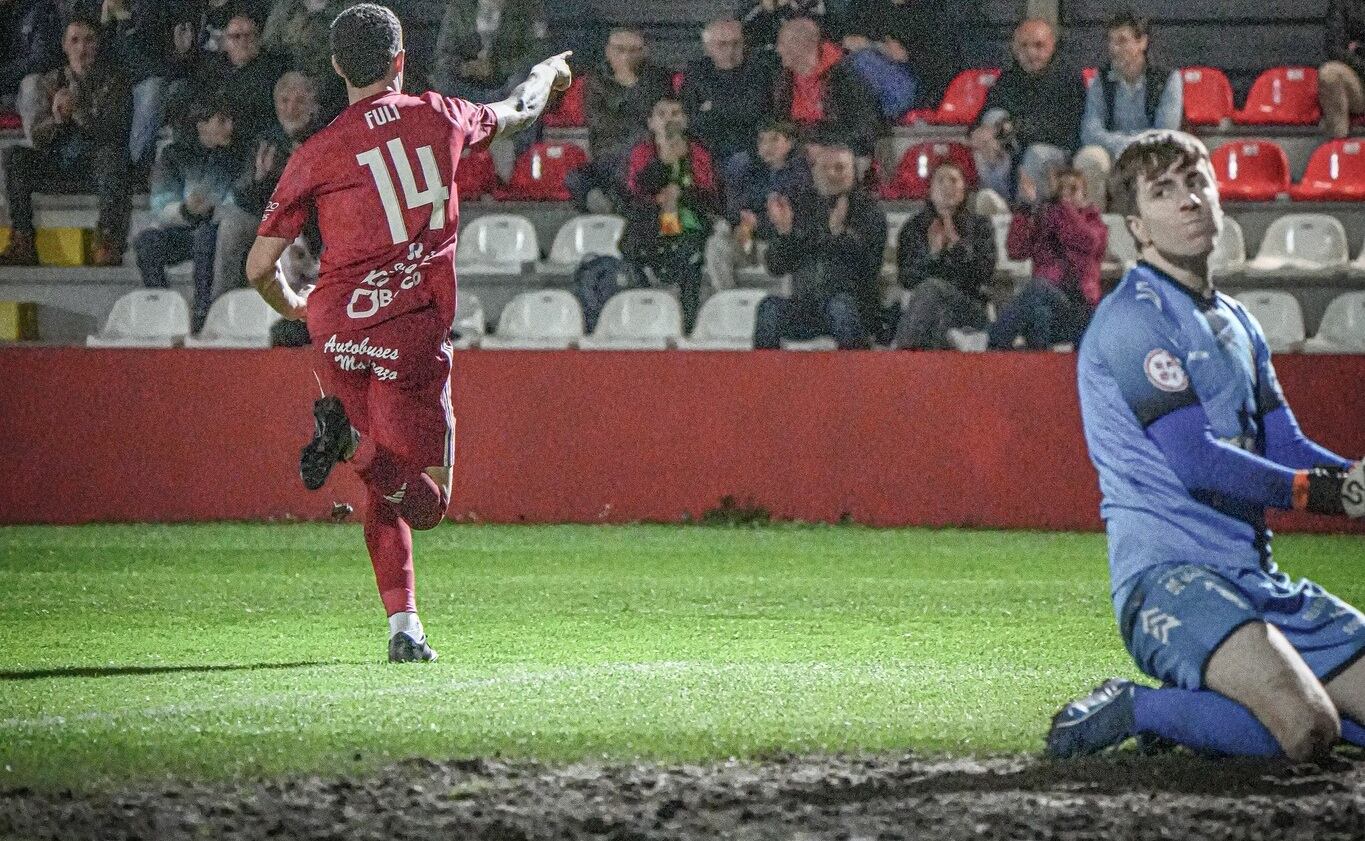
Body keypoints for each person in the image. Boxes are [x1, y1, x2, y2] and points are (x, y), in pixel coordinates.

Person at [245, 3, 572, 662]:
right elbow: (518, 109)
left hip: (337, 328)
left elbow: (257, 267)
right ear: (400, 61)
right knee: (423, 499)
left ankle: (405, 627)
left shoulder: (315, 151)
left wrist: (298, 307)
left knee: (383, 483)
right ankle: (351, 444)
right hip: (411, 330)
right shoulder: (443, 116)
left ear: (336, 66)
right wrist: (547, 74)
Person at [1046, 129, 1365, 762]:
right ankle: (1138, 707)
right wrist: (1329, 494)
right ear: (1137, 225)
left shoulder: (1237, 321)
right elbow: (1196, 462)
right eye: (1164, 192)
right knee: (1304, 730)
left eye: (1198, 183)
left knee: (1316, 726)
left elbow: (1285, 443)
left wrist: (1353, 478)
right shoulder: (1134, 317)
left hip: (1255, 578)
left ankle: (1229, 711)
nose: (1190, 201)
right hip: (1169, 580)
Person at [0, 15, 132, 267]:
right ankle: (23, 239)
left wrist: (78, 108)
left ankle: (106, 240)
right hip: (59, 163)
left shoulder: (114, 82)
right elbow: (38, 138)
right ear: (64, 45)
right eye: (75, 41)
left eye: (89, 40)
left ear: (98, 45)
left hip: (96, 168)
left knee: (110, 157)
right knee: (14, 156)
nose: (82, 48)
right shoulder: (50, 81)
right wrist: (58, 119)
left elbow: (114, 134)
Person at [753, 141, 885, 350]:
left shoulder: (869, 212)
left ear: (854, 173)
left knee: (841, 307)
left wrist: (838, 234)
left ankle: (860, 378)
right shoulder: (799, 207)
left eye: (840, 168)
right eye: (824, 168)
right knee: (769, 308)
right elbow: (775, 267)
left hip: (854, 307)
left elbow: (869, 267)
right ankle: (764, 381)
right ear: (813, 172)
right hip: (806, 308)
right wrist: (785, 233)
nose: (832, 174)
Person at [213, 71, 323, 310]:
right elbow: (245, 197)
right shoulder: (266, 141)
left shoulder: (325, 138)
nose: (291, 108)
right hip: (268, 217)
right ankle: (218, 307)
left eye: (299, 101)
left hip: (312, 221)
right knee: (231, 225)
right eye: (284, 101)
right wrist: (261, 178)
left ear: (313, 106)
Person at [135, 99, 244, 333]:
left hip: (216, 233)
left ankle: (203, 313)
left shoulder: (235, 159)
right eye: (222, 121)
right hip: (181, 230)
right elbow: (160, 204)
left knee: (206, 238)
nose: (230, 127)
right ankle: (163, 310)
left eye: (231, 121)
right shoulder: (173, 156)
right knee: (146, 243)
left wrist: (211, 210)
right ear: (201, 125)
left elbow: (238, 204)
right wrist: (186, 210)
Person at [620, 96, 721, 333]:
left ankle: (687, 323)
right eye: (662, 114)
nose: (668, 120)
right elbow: (635, 191)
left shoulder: (698, 152)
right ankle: (643, 314)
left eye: (675, 114)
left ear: (685, 121)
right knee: (630, 248)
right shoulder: (642, 152)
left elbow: (710, 196)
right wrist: (663, 162)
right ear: (651, 122)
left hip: (689, 222)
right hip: (651, 223)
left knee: (690, 255)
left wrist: (680, 194)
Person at [987, 168, 1105, 350]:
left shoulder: (1095, 223)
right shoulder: (1044, 221)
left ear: (1085, 195)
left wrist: (1062, 206)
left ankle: (992, 342)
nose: (1066, 194)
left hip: (1079, 307)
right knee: (1038, 311)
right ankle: (1038, 369)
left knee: (1038, 287)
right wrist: (1025, 209)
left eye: (1072, 189)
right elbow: (1016, 251)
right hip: (1046, 306)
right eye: (1060, 189)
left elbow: (1087, 241)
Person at [1074, 12, 1182, 210]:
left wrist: (1130, 149)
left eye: (1122, 41)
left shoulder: (1167, 79)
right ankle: (1094, 230)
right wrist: (1123, 146)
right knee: (1089, 158)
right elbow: (1090, 131)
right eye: (1111, 41)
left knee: (1145, 164)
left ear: (1142, 43)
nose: (1114, 49)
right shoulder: (1102, 79)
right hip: (1113, 152)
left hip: (1149, 153)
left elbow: (1164, 134)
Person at [972, 19, 1086, 206]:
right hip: (1015, 148)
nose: (1031, 52)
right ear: (1015, 49)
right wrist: (981, 134)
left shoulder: (1069, 79)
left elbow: (1065, 129)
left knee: (1036, 154)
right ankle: (996, 203)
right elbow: (979, 121)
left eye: (1038, 45)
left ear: (1052, 46)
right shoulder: (1007, 80)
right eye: (1024, 46)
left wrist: (1013, 129)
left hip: (1056, 153)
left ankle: (1025, 212)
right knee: (991, 120)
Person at [892, 161, 996, 350]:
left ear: (964, 189)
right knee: (939, 317)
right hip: (926, 308)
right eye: (940, 181)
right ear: (930, 191)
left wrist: (957, 246)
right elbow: (906, 278)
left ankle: (900, 355)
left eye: (954, 180)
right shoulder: (913, 228)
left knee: (933, 289)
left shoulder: (980, 225)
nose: (947, 186)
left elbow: (984, 273)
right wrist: (933, 254)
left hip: (969, 305)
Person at [565, 27, 670, 212]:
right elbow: (598, 121)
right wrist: (637, 122)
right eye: (619, 49)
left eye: (633, 50)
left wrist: (632, 82)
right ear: (608, 51)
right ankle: (607, 204)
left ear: (644, 51)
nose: (626, 56)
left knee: (637, 146)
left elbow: (659, 116)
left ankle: (616, 203)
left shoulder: (657, 78)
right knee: (575, 178)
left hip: (648, 152)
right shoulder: (596, 80)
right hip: (607, 153)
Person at [773, 17, 882, 159]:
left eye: (785, 43)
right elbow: (781, 124)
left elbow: (865, 130)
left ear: (806, 44)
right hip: (798, 155)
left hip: (839, 155)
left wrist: (825, 147)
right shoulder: (785, 80)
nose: (779, 49)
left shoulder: (845, 76)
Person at [680, 19, 772, 178]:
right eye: (722, 44)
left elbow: (753, 110)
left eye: (736, 43)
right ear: (708, 48)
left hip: (747, 147)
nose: (730, 50)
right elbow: (690, 118)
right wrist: (733, 106)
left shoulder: (758, 69)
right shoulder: (696, 73)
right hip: (706, 147)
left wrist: (712, 106)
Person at [841, 0, 960, 116]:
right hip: (870, 78)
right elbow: (848, 41)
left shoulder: (928, 11)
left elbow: (937, 61)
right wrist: (880, 47)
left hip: (913, 81)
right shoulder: (869, 6)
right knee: (861, 61)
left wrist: (902, 55)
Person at [430, 0, 549, 103]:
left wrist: (496, 68)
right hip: (466, 81)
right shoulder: (460, 7)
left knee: (523, 82)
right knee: (443, 80)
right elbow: (443, 53)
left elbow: (535, 55)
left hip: (507, 82)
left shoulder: (527, 7)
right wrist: (464, 67)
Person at [1320, 0, 1365, 139]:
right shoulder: (1342, 3)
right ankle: (1339, 148)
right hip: (1358, 79)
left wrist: (1359, 48)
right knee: (1330, 74)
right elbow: (1335, 47)